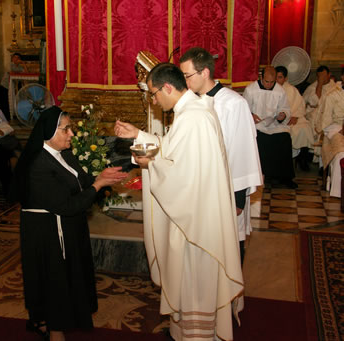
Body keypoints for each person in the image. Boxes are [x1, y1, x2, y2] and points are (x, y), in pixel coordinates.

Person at [114, 63, 243, 341]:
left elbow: (184, 177)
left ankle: (200, 336)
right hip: (196, 215)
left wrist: (150, 163)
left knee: (195, 279)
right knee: (190, 279)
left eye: (154, 94)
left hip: (196, 224)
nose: (154, 100)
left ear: (168, 87)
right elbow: (175, 151)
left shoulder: (193, 118)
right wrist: (139, 134)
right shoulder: (192, 111)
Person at [11, 106, 127, 341]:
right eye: (66, 129)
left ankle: (54, 320)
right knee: (54, 280)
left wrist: (100, 179)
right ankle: (55, 330)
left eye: (70, 128)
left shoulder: (64, 154)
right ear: (49, 132)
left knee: (69, 278)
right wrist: (98, 185)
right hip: (47, 234)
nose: (71, 134)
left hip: (67, 228)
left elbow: (82, 182)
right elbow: (66, 205)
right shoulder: (38, 164)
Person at [179, 47, 262, 264]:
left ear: (204, 72)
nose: (185, 82)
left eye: (188, 76)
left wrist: (238, 199)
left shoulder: (234, 104)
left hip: (227, 191)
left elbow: (243, 152)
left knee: (229, 250)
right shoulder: (190, 104)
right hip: (200, 191)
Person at [243, 66, 297, 188]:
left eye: (272, 82)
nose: (269, 85)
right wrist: (251, 115)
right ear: (261, 77)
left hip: (274, 124)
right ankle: (264, 175)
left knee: (284, 138)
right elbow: (244, 109)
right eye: (267, 81)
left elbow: (285, 108)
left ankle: (283, 177)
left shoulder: (280, 90)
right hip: (258, 125)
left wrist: (283, 115)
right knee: (260, 140)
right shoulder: (251, 90)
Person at [275, 66, 314, 171]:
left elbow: (300, 105)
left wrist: (296, 116)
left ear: (285, 78)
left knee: (305, 128)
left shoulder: (292, 90)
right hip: (277, 120)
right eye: (276, 77)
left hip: (293, 117)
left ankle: (303, 159)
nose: (277, 80)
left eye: (280, 77)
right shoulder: (271, 89)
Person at [315, 66, 344, 197]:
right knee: (341, 155)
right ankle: (339, 192)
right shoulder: (332, 95)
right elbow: (325, 122)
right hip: (335, 128)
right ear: (342, 77)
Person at [0, 53, 28, 120]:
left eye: (18, 58)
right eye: (15, 57)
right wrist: (19, 73)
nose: (16, 59)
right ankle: (5, 118)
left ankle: (11, 116)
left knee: (11, 102)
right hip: (5, 86)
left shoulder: (19, 67)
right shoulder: (10, 64)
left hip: (12, 88)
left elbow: (26, 73)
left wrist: (23, 64)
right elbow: (10, 72)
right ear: (12, 58)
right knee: (5, 103)